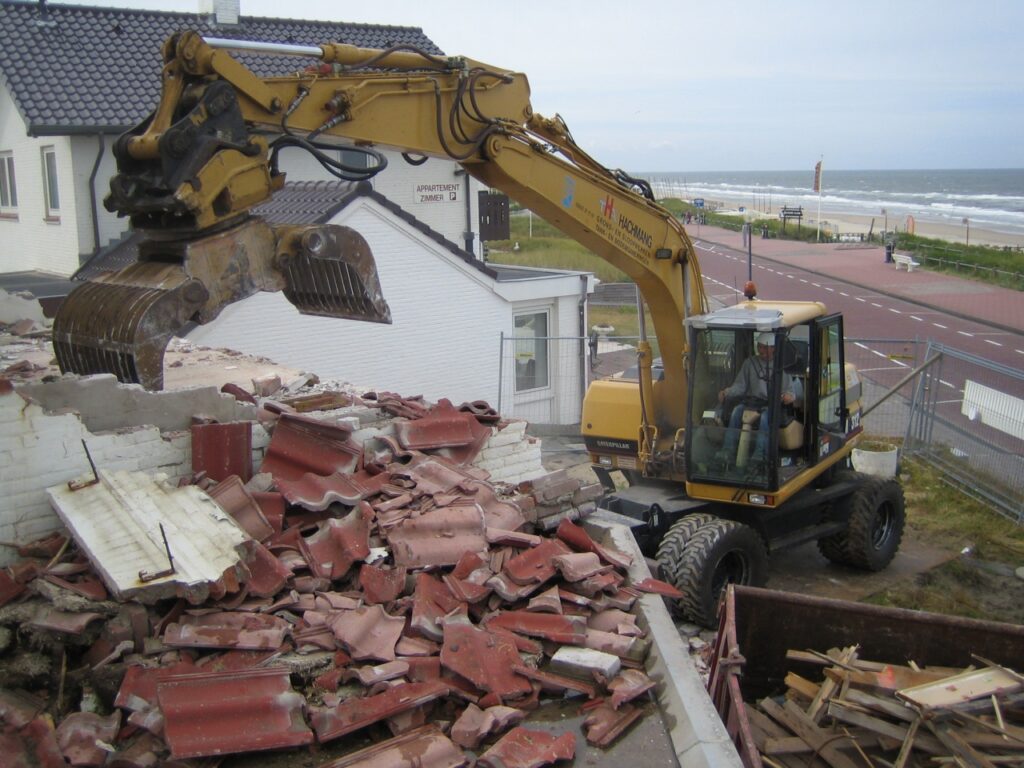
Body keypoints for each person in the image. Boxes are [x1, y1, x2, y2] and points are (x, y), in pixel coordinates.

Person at [716, 332, 803, 467]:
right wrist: (727, 392)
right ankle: (727, 450)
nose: (761, 350)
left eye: (764, 347)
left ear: (773, 348)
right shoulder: (750, 363)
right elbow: (740, 386)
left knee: (764, 419)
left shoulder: (781, 366)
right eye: (759, 346)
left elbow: (790, 391)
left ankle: (760, 455)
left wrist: (788, 397)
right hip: (751, 403)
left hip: (772, 405)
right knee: (736, 412)